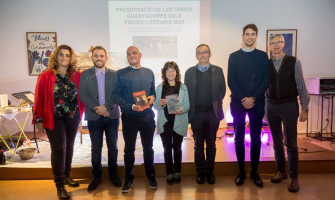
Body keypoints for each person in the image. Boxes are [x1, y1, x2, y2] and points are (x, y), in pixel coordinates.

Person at [33, 45, 85, 200]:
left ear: (71, 58)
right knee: (58, 149)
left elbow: (83, 94)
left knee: (69, 146)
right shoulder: (46, 76)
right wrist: (39, 119)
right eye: (61, 54)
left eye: (67, 55)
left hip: (72, 116)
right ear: (55, 57)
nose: (64, 57)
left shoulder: (76, 75)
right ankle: (59, 184)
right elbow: (38, 99)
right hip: (53, 117)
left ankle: (67, 175)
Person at [265, 34, 310, 192]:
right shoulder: (266, 63)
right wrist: (265, 108)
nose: (276, 45)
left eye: (279, 42)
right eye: (273, 43)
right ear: (269, 46)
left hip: (289, 106)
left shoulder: (293, 61)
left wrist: (304, 107)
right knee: (276, 142)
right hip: (271, 107)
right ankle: (281, 171)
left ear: (283, 44)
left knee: (291, 143)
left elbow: (301, 85)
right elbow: (263, 86)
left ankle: (294, 177)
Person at [227, 24, 269, 188]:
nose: (250, 37)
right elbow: (231, 80)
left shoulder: (263, 56)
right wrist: (244, 98)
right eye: (247, 34)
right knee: (238, 138)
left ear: (256, 36)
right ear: (242, 36)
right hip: (238, 102)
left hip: (257, 102)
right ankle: (241, 171)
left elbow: (265, 80)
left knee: (256, 138)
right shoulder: (233, 56)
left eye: (253, 34)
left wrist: (253, 98)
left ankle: (254, 171)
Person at [111, 46, 157, 192]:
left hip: (147, 116)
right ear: (127, 56)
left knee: (148, 148)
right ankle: (129, 178)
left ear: (140, 55)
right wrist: (131, 106)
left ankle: (151, 175)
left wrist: (153, 97)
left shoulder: (149, 72)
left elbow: (153, 91)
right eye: (129, 54)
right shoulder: (120, 74)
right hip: (129, 116)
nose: (132, 55)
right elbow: (116, 95)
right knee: (129, 150)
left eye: (134, 53)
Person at [79, 46, 122, 191]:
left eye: (101, 56)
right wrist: (99, 109)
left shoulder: (115, 75)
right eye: (96, 56)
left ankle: (113, 175)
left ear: (106, 58)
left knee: (113, 148)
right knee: (96, 149)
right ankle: (96, 177)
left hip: (112, 115)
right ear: (92, 57)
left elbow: (117, 94)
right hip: (93, 116)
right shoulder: (85, 75)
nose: (99, 58)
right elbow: (83, 95)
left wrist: (106, 107)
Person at [184, 44, 226, 184]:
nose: (202, 55)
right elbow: (187, 93)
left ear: (210, 54)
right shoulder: (189, 72)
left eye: (205, 52)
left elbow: (222, 91)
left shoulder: (218, 71)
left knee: (212, 144)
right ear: (196, 56)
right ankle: (200, 171)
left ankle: (210, 171)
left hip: (213, 113)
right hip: (196, 114)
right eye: (199, 53)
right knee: (198, 145)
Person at [153, 61, 190, 184]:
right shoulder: (160, 87)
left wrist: (181, 110)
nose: (170, 72)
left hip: (179, 122)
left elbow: (187, 105)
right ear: (164, 73)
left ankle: (178, 172)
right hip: (165, 123)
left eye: (173, 70)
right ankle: (169, 173)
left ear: (176, 72)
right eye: (168, 70)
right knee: (167, 149)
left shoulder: (183, 87)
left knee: (178, 148)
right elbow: (156, 106)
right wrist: (160, 104)